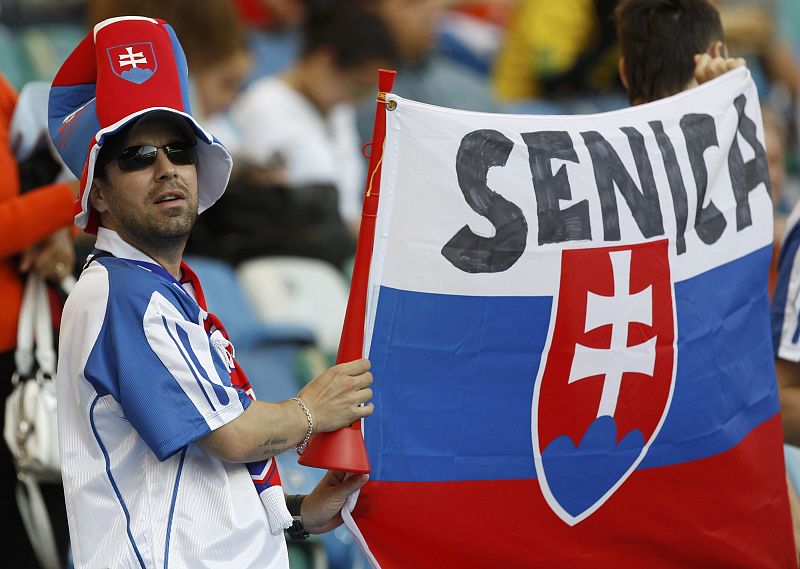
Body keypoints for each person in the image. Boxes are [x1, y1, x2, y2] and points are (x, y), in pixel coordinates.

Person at [50, 16, 373, 568]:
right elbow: (232, 437)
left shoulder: (160, 290)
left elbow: (200, 485)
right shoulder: (122, 293)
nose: (166, 168)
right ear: (98, 193)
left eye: (179, 150)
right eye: (136, 155)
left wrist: (301, 513)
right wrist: (311, 409)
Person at [0, 71, 77, 568]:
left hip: (35, 343)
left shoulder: (8, 93)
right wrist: (87, 189)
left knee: (48, 525)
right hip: (11, 348)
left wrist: (62, 236)